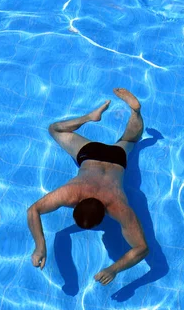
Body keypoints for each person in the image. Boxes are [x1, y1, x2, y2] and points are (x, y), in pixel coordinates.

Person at [27, 88, 149, 286]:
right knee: (56, 130)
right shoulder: (82, 196)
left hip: (113, 160)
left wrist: (114, 268)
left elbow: (143, 248)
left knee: (129, 140)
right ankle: (133, 113)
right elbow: (141, 248)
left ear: (76, 204)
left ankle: (98, 116)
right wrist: (40, 246)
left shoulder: (116, 208)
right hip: (96, 156)